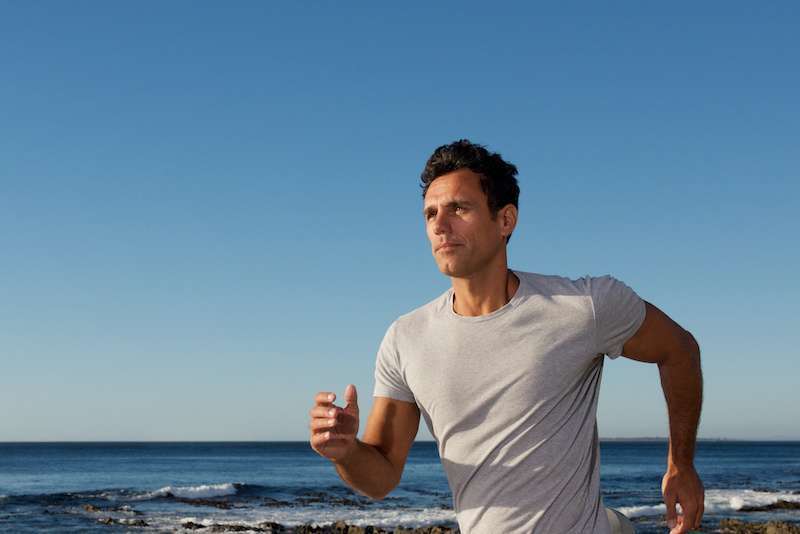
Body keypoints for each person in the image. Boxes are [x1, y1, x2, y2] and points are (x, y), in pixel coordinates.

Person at [309, 140, 704, 534]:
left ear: (505, 221)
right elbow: (381, 477)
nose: (440, 226)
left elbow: (679, 350)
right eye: (430, 214)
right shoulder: (406, 338)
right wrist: (345, 452)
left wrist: (681, 464)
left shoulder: (582, 305)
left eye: (458, 209)